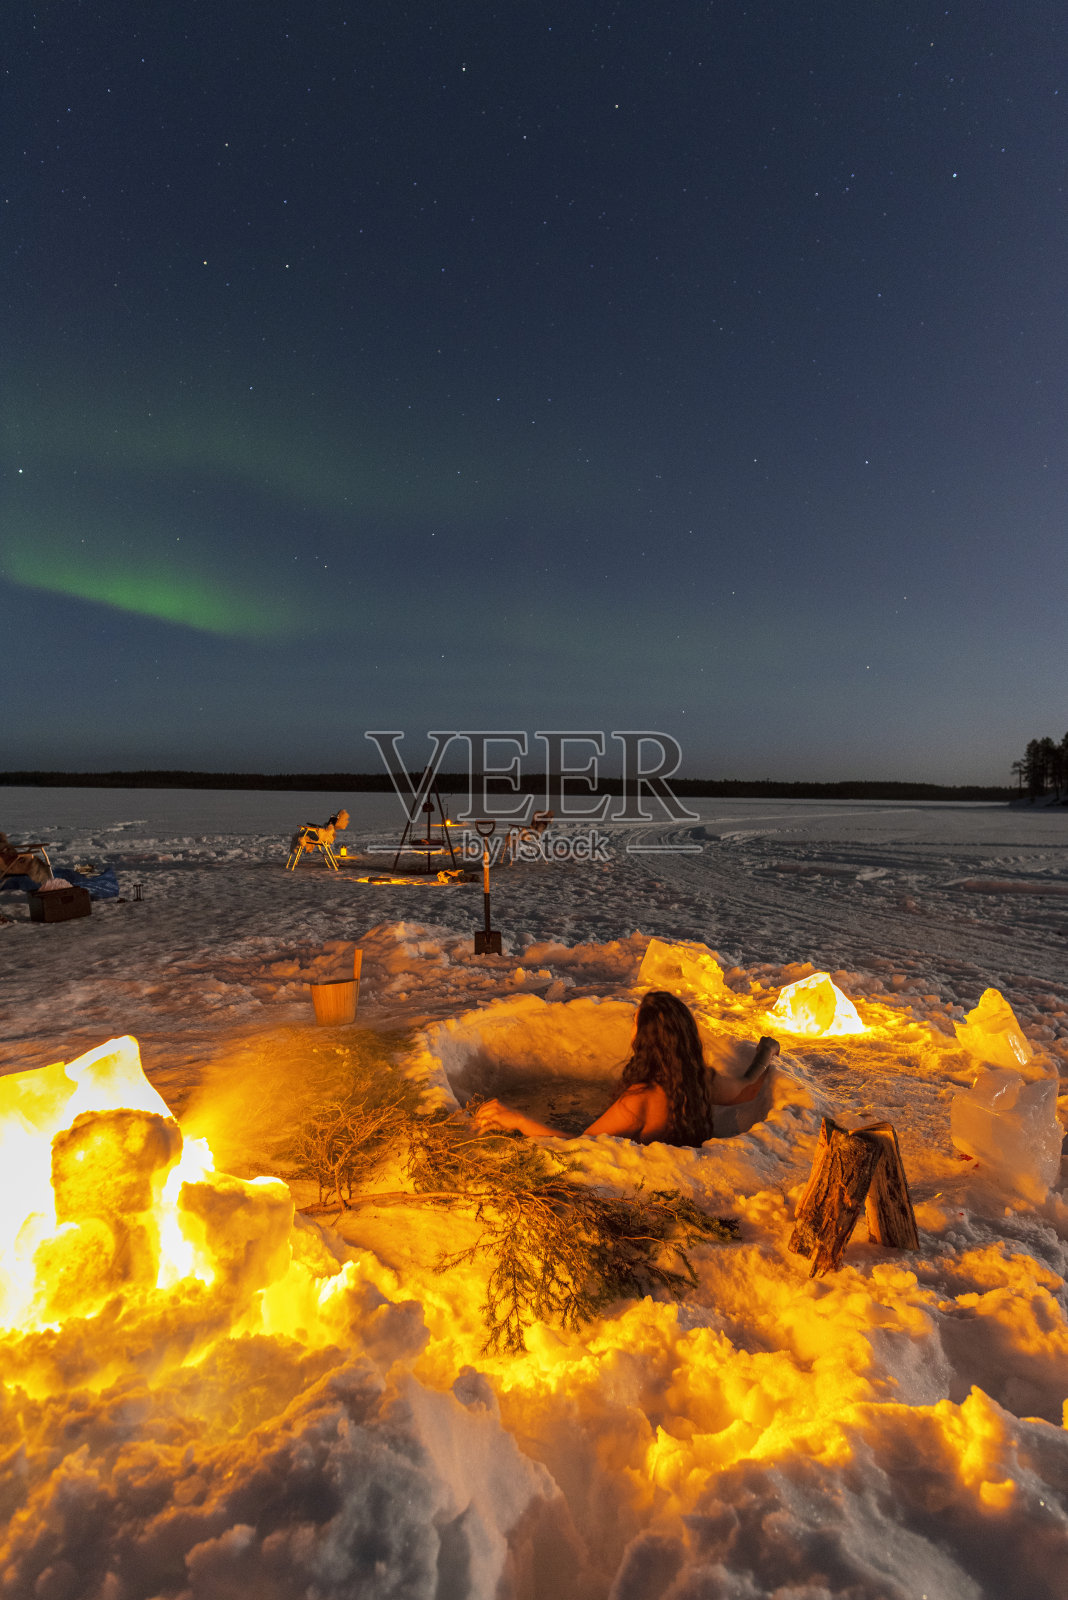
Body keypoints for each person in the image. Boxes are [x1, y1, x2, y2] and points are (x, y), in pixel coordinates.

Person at [472, 989, 774, 1148]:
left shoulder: (640, 1098)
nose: (631, 1027)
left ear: (645, 1039)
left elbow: (581, 1148)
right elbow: (747, 1088)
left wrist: (518, 1120)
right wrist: (766, 1053)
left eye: (635, 1022)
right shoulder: (699, 1081)